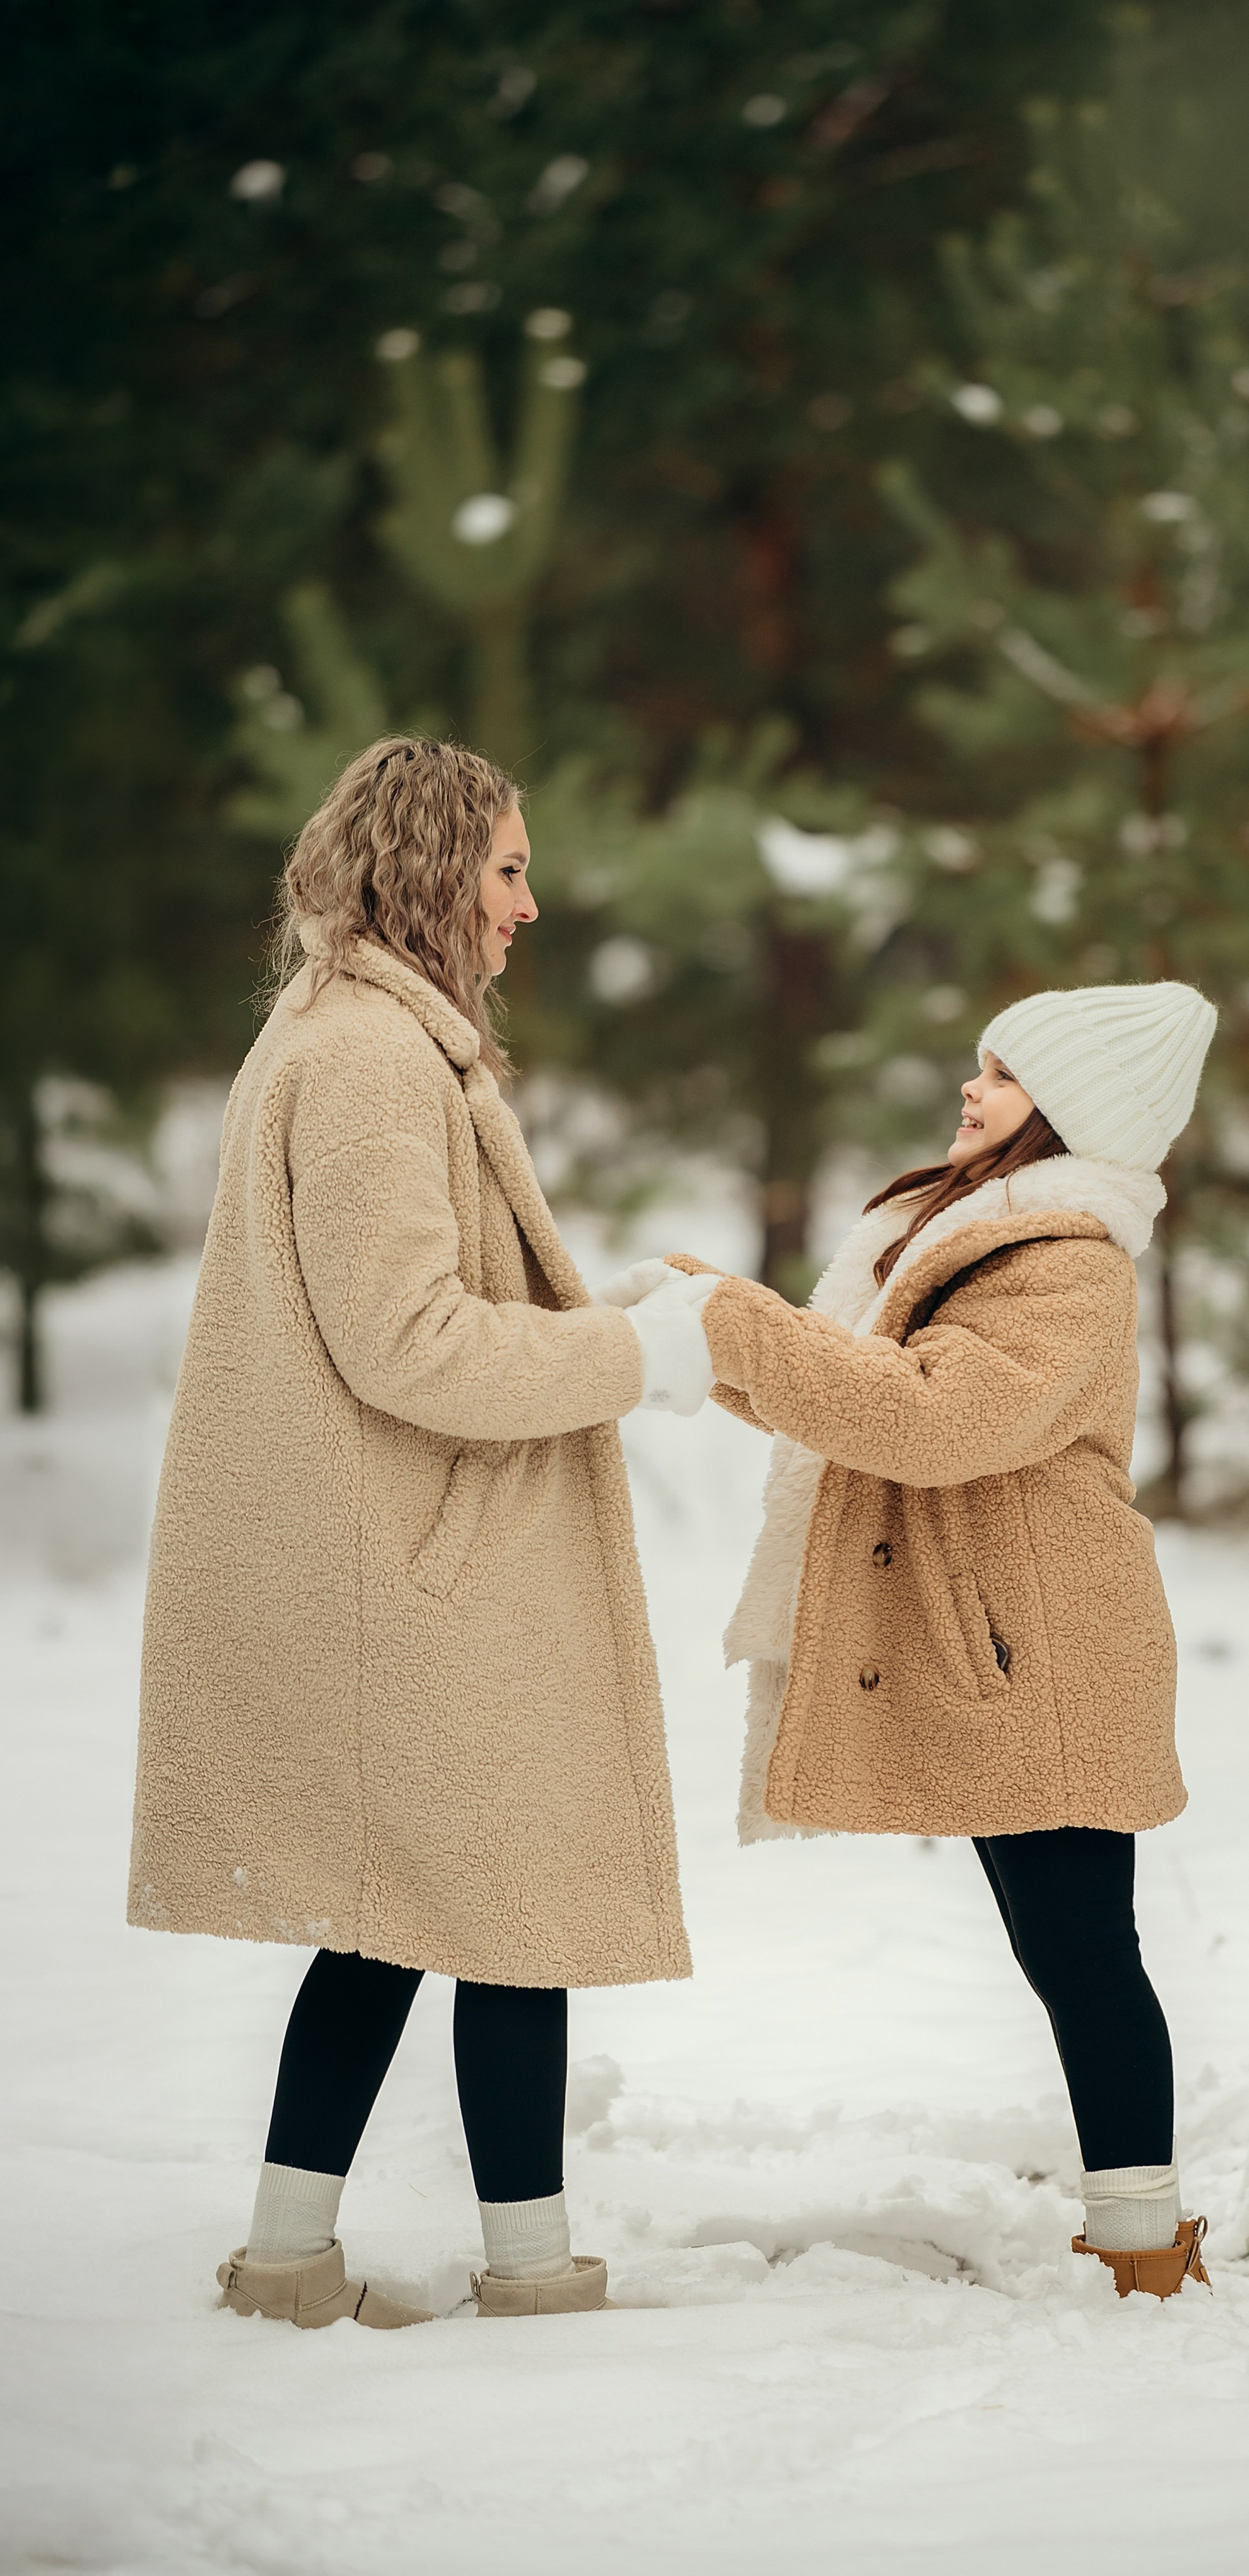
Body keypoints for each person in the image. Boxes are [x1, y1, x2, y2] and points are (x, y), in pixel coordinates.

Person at [129, 736, 714, 2328]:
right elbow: (410, 1343)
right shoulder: (375, 1063)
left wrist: (622, 1324)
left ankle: (294, 2260)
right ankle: (525, 2279)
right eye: (510, 868)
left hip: (403, 1554)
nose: (531, 905)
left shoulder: (349, 1034)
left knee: (397, 1921)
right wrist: (636, 1360)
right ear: (432, 869)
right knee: (507, 1913)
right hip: (414, 1568)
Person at [638, 981, 1217, 2298]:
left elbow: (930, 1417)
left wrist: (730, 1322)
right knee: (1066, 1953)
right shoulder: (973, 1232)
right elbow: (842, 1394)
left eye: (1004, 1077)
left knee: (1084, 1955)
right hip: (1003, 1640)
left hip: (1049, 1650)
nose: (971, 1091)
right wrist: (703, 1330)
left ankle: (1146, 2249)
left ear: (1070, 1116)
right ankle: (1140, 2236)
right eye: (980, 1066)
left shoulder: (1066, 1263)